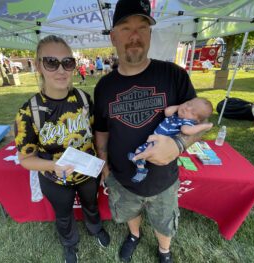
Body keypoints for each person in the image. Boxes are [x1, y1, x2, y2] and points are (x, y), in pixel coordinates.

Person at [93, 0, 211, 262]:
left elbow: (197, 123)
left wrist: (178, 145)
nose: (134, 36)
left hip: (163, 180)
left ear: (150, 33)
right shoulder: (103, 86)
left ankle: (164, 251)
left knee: (164, 220)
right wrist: (103, 162)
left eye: (142, 27)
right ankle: (134, 235)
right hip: (122, 177)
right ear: (113, 37)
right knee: (129, 212)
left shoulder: (174, 75)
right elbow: (101, 129)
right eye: (125, 28)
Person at [14, 35, 110, 263]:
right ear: (38, 65)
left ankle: (95, 228)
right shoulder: (29, 112)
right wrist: (51, 166)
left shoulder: (84, 100)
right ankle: (69, 243)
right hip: (54, 178)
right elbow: (25, 159)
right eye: (51, 62)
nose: (61, 70)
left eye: (67, 62)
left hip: (87, 172)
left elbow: (97, 134)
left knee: (90, 204)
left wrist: (103, 163)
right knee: (64, 214)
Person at [128, 98, 213, 182]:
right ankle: (140, 166)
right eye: (188, 103)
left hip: (160, 143)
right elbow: (167, 111)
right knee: (139, 150)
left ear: (196, 120)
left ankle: (140, 167)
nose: (188, 108)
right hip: (153, 140)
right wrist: (180, 107)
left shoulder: (187, 122)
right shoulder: (175, 115)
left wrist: (205, 126)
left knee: (145, 153)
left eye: (193, 112)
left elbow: (186, 131)